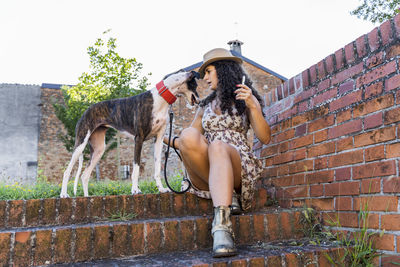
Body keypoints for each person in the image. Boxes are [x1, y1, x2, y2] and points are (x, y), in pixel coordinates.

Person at [165, 48, 271, 257]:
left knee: (218, 146)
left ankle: (222, 227)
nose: (204, 79)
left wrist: (253, 106)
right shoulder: (204, 106)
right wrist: (161, 137)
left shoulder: (245, 98)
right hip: (209, 170)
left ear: (223, 70)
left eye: (209, 72)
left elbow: (265, 137)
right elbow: (188, 143)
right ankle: (226, 196)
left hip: (238, 166)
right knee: (188, 134)